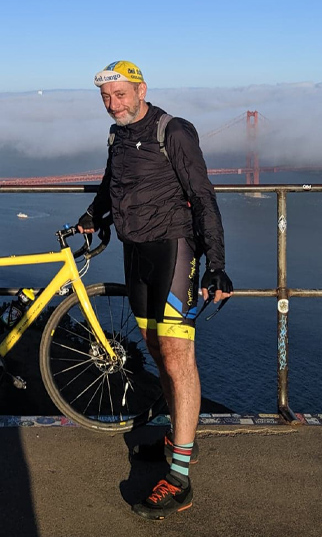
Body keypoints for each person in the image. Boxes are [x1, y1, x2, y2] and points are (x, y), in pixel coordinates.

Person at [78, 60, 233, 520]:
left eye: (121, 95)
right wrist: (93, 214)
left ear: (141, 90)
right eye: (106, 98)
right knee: (154, 347)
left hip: (173, 248)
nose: (113, 105)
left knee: (176, 353)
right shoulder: (118, 135)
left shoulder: (174, 130)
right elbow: (112, 184)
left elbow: (204, 196)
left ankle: (180, 478)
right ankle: (177, 442)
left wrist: (217, 267)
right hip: (135, 250)